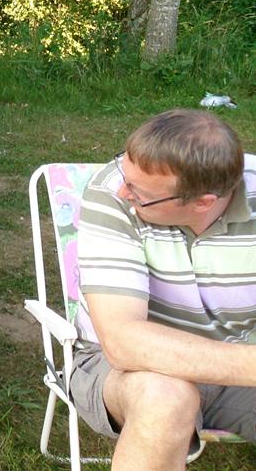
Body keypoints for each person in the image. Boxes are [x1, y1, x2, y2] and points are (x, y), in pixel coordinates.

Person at [73, 109, 256, 470]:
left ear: (203, 201)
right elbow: (124, 343)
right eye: (125, 173)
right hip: (124, 371)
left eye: (139, 193)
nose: (123, 190)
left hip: (240, 360)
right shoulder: (111, 194)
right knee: (165, 399)